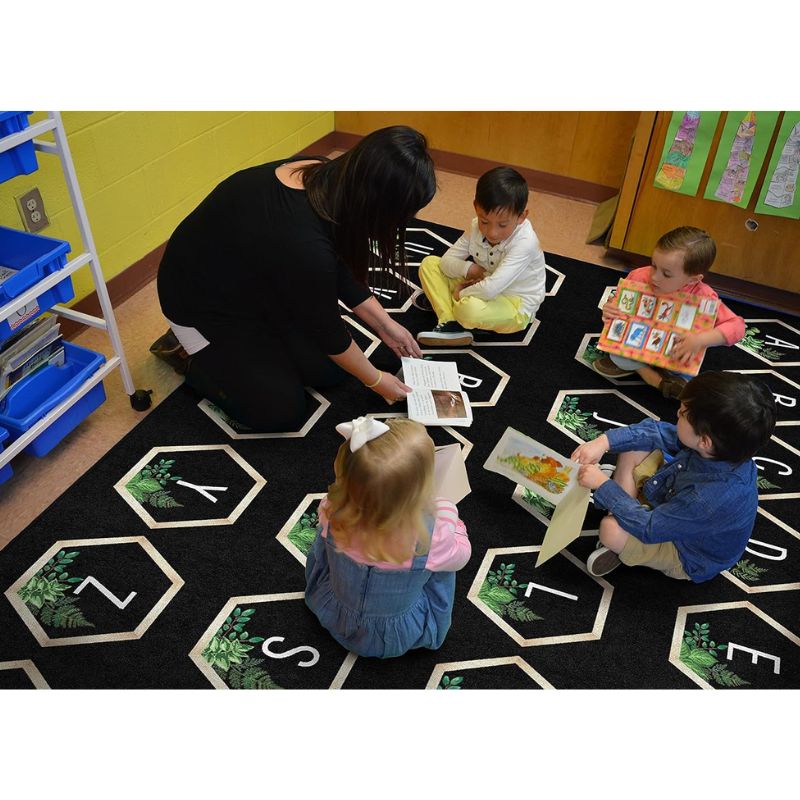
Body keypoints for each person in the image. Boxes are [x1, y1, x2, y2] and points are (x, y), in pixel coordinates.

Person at [153, 126, 436, 431]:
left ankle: (256, 350)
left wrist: (384, 324)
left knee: (332, 373)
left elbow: (335, 261)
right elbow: (327, 328)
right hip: (201, 307)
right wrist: (378, 381)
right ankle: (185, 353)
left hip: (258, 283)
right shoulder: (302, 243)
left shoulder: (323, 176)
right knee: (280, 411)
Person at [572, 371, 776, 582]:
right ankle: (622, 505)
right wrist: (604, 442)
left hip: (686, 551)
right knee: (636, 446)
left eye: (683, 413)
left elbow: (650, 528)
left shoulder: (707, 499)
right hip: (673, 500)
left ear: (704, 442)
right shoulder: (719, 449)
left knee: (610, 530)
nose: (677, 413)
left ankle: (620, 528)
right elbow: (657, 432)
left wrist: (605, 486)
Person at [304, 416, 471, 658]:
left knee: (324, 538)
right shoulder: (431, 535)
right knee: (444, 561)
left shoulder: (331, 509)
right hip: (394, 635)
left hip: (332, 611)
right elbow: (462, 556)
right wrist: (449, 513)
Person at [594, 226, 745, 399]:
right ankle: (654, 379)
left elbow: (737, 327)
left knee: (685, 370)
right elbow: (618, 304)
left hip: (673, 352)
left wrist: (699, 340)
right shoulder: (639, 277)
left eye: (666, 274)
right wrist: (610, 309)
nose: (654, 277)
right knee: (615, 352)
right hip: (637, 342)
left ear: (694, 278)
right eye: (653, 265)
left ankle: (646, 371)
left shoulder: (704, 297)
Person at [415, 166, 546, 346]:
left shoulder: (525, 243)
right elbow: (446, 261)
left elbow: (490, 290)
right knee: (430, 264)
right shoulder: (476, 226)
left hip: (514, 303)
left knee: (469, 310)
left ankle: (451, 311)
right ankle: (450, 322)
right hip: (483, 282)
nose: (491, 232)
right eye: (485, 221)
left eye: (502, 225)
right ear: (476, 207)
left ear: (521, 216)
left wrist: (461, 293)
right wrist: (469, 269)